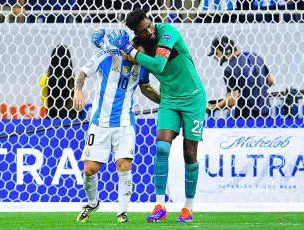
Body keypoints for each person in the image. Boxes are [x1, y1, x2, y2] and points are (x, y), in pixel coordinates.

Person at [107, 8, 207, 223]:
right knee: (161, 148)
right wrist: (112, 49)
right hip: (170, 100)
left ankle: (188, 208)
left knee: (189, 154)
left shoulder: (167, 31)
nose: (150, 30)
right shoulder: (140, 48)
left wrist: (132, 53)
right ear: (137, 33)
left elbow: (159, 64)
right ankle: (159, 206)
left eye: (150, 24)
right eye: (144, 30)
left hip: (193, 98)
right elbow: (144, 85)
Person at [74, 29, 160, 223]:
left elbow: (145, 87)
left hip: (125, 123)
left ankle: (122, 212)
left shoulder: (142, 65)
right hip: (100, 122)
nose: (136, 59)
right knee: (90, 169)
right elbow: (83, 72)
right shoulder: (106, 55)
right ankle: (93, 202)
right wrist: (78, 90)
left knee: (124, 164)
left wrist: (163, 101)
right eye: (134, 54)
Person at [206, 36, 275, 119]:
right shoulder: (255, 57)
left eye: (216, 53)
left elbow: (231, 100)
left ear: (222, 50)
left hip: (246, 119)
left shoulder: (230, 69)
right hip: (265, 115)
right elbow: (271, 80)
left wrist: (212, 108)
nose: (215, 57)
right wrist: (254, 90)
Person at [40, 45, 78, 119]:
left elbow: (44, 100)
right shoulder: (73, 80)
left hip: (51, 118)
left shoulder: (45, 79)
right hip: (70, 119)